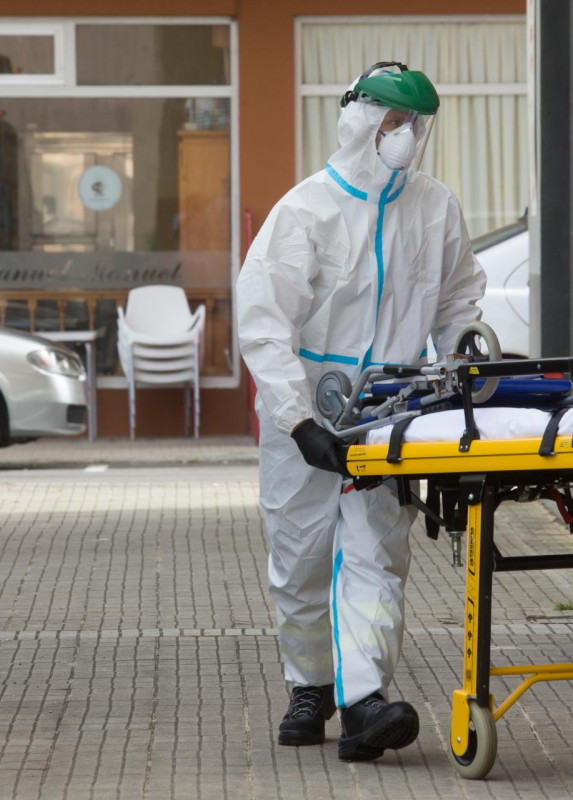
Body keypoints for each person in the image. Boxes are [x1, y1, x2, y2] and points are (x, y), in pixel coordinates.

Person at [236, 62, 486, 761]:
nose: (405, 136)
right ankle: (310, 687)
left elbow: (458, 302)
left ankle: (366, 700)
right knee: (301, 558)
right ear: (359, 119)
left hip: (390, 409)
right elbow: (262, 324)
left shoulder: (435, 207)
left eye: (414, 124)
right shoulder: (304, 212)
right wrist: (298, 420)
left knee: (377, 552)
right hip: (308, 413)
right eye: (393, 121)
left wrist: (461, 362)